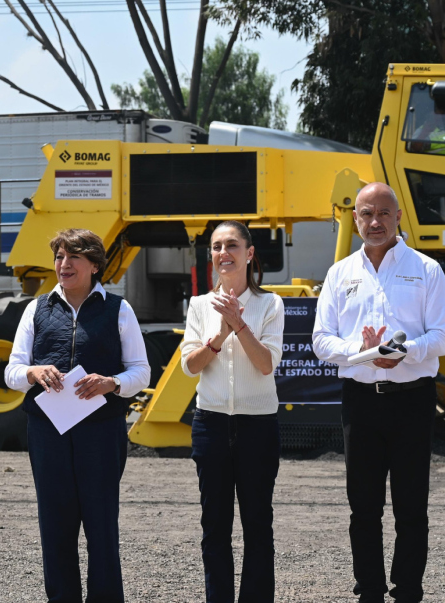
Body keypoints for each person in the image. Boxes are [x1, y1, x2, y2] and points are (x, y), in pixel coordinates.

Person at [312, 182, 445, 603]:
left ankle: (408, 591)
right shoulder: (340, 274)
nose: (375, 222)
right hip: (360, 403)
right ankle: (369, 591)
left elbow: (443, 337)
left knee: (411, 508)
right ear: (355, 219)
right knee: (364, 508)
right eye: (366, 214)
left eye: (383, 213)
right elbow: (321, 341)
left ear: (398, 217)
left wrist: (403, 352)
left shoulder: (426, 269)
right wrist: (360, 352)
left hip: (412, 398)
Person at [4, 228, 151, 603]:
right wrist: (33, 373)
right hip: (47, 433)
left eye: (73, 258)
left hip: (101, 435)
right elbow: (11, 371)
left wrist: (112, 383)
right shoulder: (37, 309)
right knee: (55, 527)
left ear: (94, 265)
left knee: (101, 527)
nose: (63, 265)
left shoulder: (119, 309)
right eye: (59, 257)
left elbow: (141, 372)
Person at [179, 221, 285, 603]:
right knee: (214, 526)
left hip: (257, 426)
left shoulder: (271, 304)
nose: (224, 253)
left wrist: (239, 323)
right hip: (210, 424)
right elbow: (190, 365)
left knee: (257, 523)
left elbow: (264, 364)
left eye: (232, 245)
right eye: (217, 246)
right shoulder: (198, 305)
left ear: (250, 253)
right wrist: (220, 334)